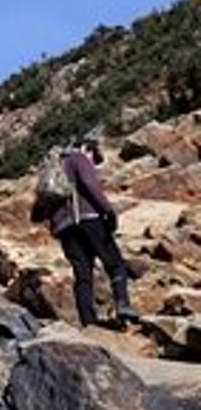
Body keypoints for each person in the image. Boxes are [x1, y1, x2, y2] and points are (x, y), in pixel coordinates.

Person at [36, 135, 138, 328]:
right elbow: (89, 184)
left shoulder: (53, 168)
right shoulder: (78, 158)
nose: (93, 162)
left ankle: (88, 323)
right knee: (115, 264)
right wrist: (108, 210)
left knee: (83, 274)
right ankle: (122, 303)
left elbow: (38, 209)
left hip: (64, 229)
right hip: (88, 219)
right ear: (86, 148)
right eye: (94, 156)